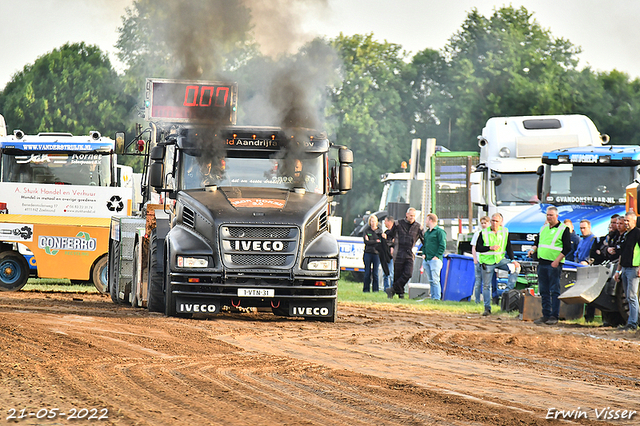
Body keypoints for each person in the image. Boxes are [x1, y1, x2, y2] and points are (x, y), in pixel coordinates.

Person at [528, 206, 571, 325]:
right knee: (544, 291)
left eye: (551, 215)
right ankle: (545, 315)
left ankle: (554, 315)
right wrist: (532, 250)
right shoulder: (543, 228)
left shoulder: (563, 229)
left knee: (554, 290)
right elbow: (537, 243)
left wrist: (557, 261)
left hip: (554, 264)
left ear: (557, 216)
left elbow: (567, 248)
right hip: (542, 263)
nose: (549, 217)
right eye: (547, 215)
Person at [475, 213, 520, 316]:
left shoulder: (505, 232)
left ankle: (506, 292)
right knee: (487, 286)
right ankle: (487, 308)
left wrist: (513, 259)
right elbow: (478, 248)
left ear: (501, 222)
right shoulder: (484, 232)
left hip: (500, 260)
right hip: (487, 261)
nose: (494, 223)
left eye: (496, 221)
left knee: (516, 268)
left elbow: (508, 247)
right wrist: (489, 247)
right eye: (492, 221)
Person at [384, 207, 424, 299]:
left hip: (409, 252)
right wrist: (391, 247)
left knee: (408, 273)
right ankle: (400, 295)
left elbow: (424, 240)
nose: (412, 217)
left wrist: (425, 251)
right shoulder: (398, 224)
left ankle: (392, 289)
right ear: (406, 215)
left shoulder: (418, 227)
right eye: (410, 215)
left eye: (413, 216)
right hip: (398, 252)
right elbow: (389, 236)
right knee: (397, 274)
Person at [613, 211, 640, 331]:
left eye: (628, 221)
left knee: (632, 296)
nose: (626, 223)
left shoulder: (638, 234)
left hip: (634, 269)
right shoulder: (624, 235)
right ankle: (631, 322)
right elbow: (621, 255)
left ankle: (633, 323)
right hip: (624, 268)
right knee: (628, 297)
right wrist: (618, 271)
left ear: (634, 221)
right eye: (625, 221)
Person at [421, 213, 447, 300]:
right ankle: (432, 296)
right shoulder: (427, 233)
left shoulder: (439, 231)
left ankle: (437, 297)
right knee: (431, 280)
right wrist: (424, 253)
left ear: (431, 220)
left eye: (427, 220)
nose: (425, 222)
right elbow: (424, 245)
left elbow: (442, 245)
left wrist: (437, 256)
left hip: (435, 260)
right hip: (427, 258)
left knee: (435, 280)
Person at [471, 216, 491, 304]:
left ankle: (488, 300)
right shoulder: (477, 234)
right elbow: (474, 247)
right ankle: (477, 300)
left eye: (485, 223)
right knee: (478, 282)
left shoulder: (491, 234)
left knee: (487, 283)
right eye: (482, 223)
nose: (483, 225)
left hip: (487, 261)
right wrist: (475, 258)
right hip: (479, 261)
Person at [362, 215, 383, 292]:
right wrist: (375, 241)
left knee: (375, 273)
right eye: (372, 221)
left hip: (376, 254)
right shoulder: (366, 231)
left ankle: (375, 290)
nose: (373, 223)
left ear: (377, 222)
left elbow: (380, 242)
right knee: (367, 272)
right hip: (368, 253)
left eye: (374, 221)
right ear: (369, 222)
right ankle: (366, 289)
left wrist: (371, 241)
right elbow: (366, 242)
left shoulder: (380, 231)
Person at [382, 216, 395, 291]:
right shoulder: (386, 232)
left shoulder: (395, 232)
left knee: (391, 273)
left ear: (390, 222)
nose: (384, 223)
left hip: (392, 256)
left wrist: (387, 239)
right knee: (385, 274)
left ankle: (392, 288)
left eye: (385, 221)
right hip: (385, 255)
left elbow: (394, 242)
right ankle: (386, 288)